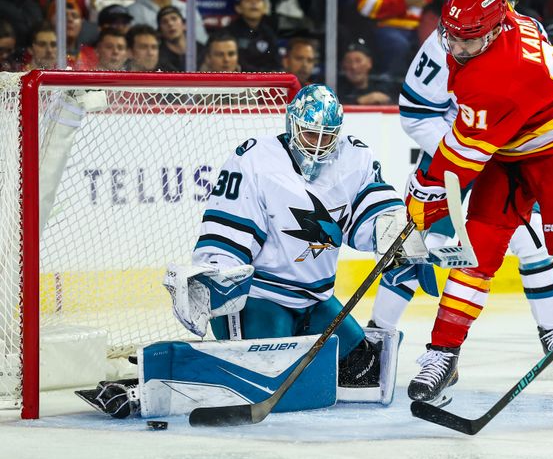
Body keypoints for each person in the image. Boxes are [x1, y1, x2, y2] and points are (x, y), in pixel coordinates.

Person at [75, 85, 416, 419]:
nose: (318, 146)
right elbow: (227, 234)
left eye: (327, 137)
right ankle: (140, 388)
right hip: (260, 298)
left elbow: (371, 210)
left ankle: (296, 366)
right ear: (292, 125)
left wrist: (393, 232)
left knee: (365, 372)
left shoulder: (354, 156)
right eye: (311, 135)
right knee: (261, 380)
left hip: (315, 301)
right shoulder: (253, 159)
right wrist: (217, 280)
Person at [403, 0, 553, 425]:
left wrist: (426, 191)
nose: (454, 45)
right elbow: (470, 140)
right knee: (476, 252)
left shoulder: (498, 76)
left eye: (467, 40)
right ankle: (443, 355)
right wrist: (429, 185)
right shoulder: (499, 23)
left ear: (493, 32)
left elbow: (464, 156)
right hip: (513, 142)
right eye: (450, 34)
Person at [357, 0, 432, 78]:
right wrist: (403, 2)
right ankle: (389, 86)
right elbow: (366, 6)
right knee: (398, 45)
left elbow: (427, 1)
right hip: (386, 26)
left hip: (417, 29)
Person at [225, 0, 281, 73]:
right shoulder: (228, 33)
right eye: (248, 0)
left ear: (265, 7)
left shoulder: (269, 33)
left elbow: (276, 64)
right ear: (238, 8)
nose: (253, 4)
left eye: (258, 0)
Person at [337, 40, 394, 105]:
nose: (353, 67)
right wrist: (358, 102)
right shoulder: (335, 88)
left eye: (358, 61)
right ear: (343, 65)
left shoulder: (383, 87)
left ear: (369, 63)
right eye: (348, 61)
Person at [156, 6, 204, 72]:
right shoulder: (157, 56)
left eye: (174, 19)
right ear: (160, 32)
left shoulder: (201, 51)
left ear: (184, 25)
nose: (170, 24)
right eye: (164, 22)